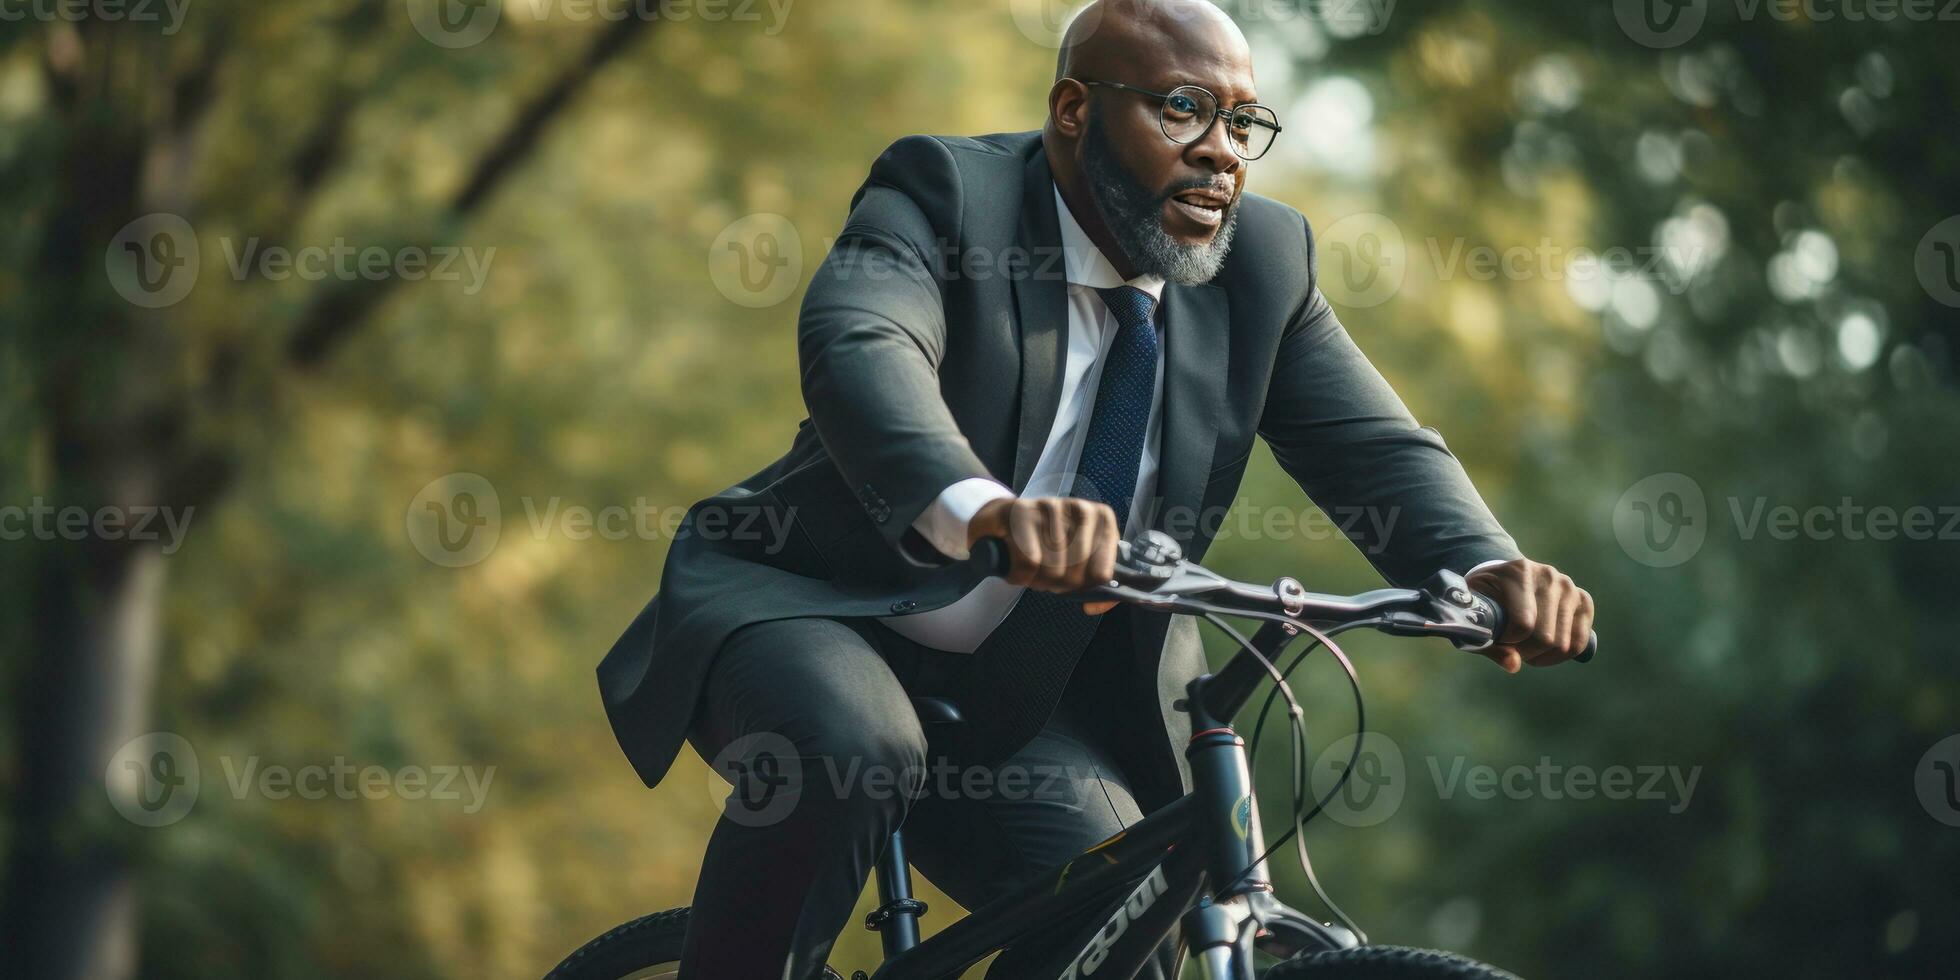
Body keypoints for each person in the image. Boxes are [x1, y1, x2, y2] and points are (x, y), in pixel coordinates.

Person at [595, 1, 1597, 976]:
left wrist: (1487, 567)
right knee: (854, 744)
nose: (1221, 150)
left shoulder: (1262, 267)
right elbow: (863, 347)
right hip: (816, 612)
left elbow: (1376, 449)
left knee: (1123, 904)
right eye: (1181, 109)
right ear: (1073, 111)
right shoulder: (947, 193)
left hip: (1019, 705)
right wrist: (980, 505)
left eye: (1242, 122)